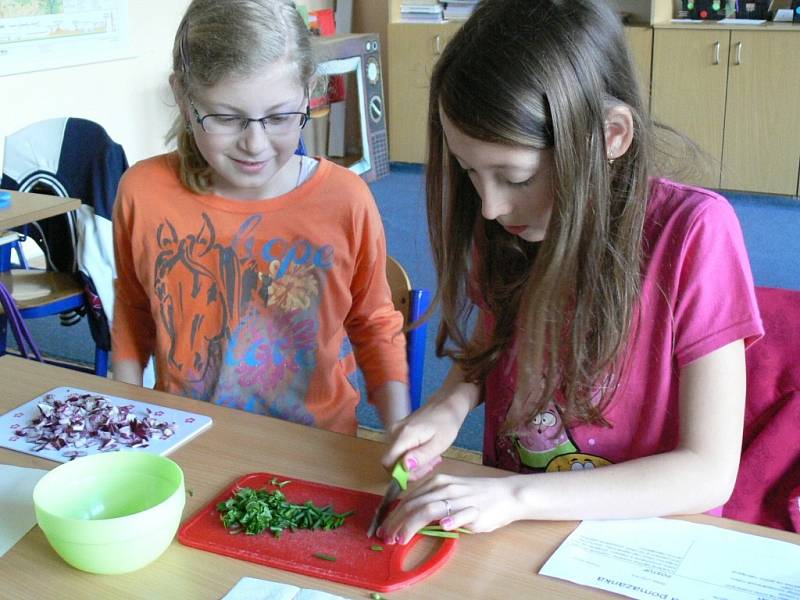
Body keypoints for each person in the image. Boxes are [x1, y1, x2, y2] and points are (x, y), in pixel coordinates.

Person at [377, 0, 763, 545]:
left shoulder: (695, 232)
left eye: (515, 176)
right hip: (521, 527)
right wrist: (448, 406)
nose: (488, 206)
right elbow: (494, 345)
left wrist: (516, 497)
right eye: (470, 172)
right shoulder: (514, 225)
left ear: (610, 136)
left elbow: (708, 472)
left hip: (645, 541)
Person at [111, 0, 409, 435]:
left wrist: (399, 427)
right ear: (182, 96)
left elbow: (374, 323)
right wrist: (126, 416)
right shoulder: (142, 192)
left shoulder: (345, 199)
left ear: (309, 92)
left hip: (313, 445)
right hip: (186, 440)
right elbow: (134, 309)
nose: (254, 143)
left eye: (280, 117)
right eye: (226, 118)